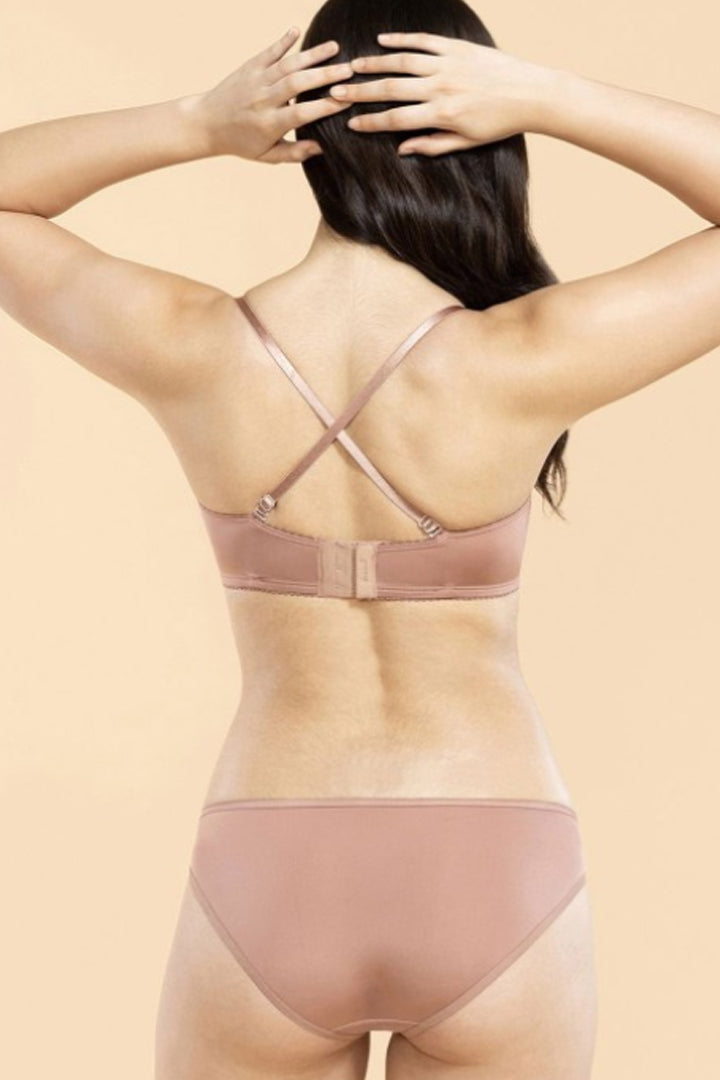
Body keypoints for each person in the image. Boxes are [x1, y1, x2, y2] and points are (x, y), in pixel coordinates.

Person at [2, 0, 719, 1077]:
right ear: (484, 141)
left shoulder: (195, 348)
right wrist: (552, 98)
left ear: (308, 134)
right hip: (490, 851)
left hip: (270, 860)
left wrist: (196, 123)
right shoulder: (527, 356)